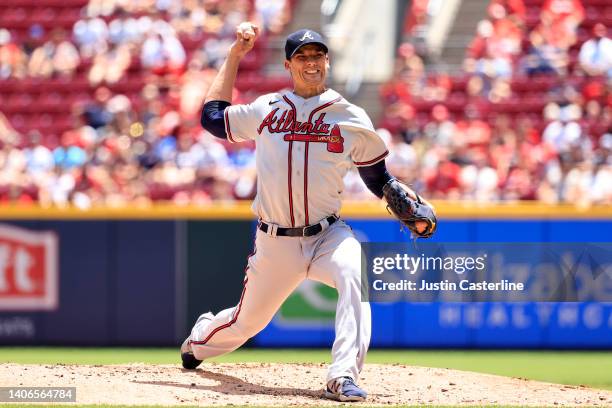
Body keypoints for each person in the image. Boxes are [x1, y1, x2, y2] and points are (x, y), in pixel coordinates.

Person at [180, 23, 435, 402]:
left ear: (328, 62)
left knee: (354, 272)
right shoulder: (267, 108)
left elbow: (376, 175)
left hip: (327, 235)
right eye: (302, 56)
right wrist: (235, 55)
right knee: (245, 324)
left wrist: (402, 204)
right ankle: (198, 341)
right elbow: (212, 117)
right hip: (275, 242)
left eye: (318, 55)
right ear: (288, 64)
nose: (311, 62)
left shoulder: (350, 116)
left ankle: (342, 375)